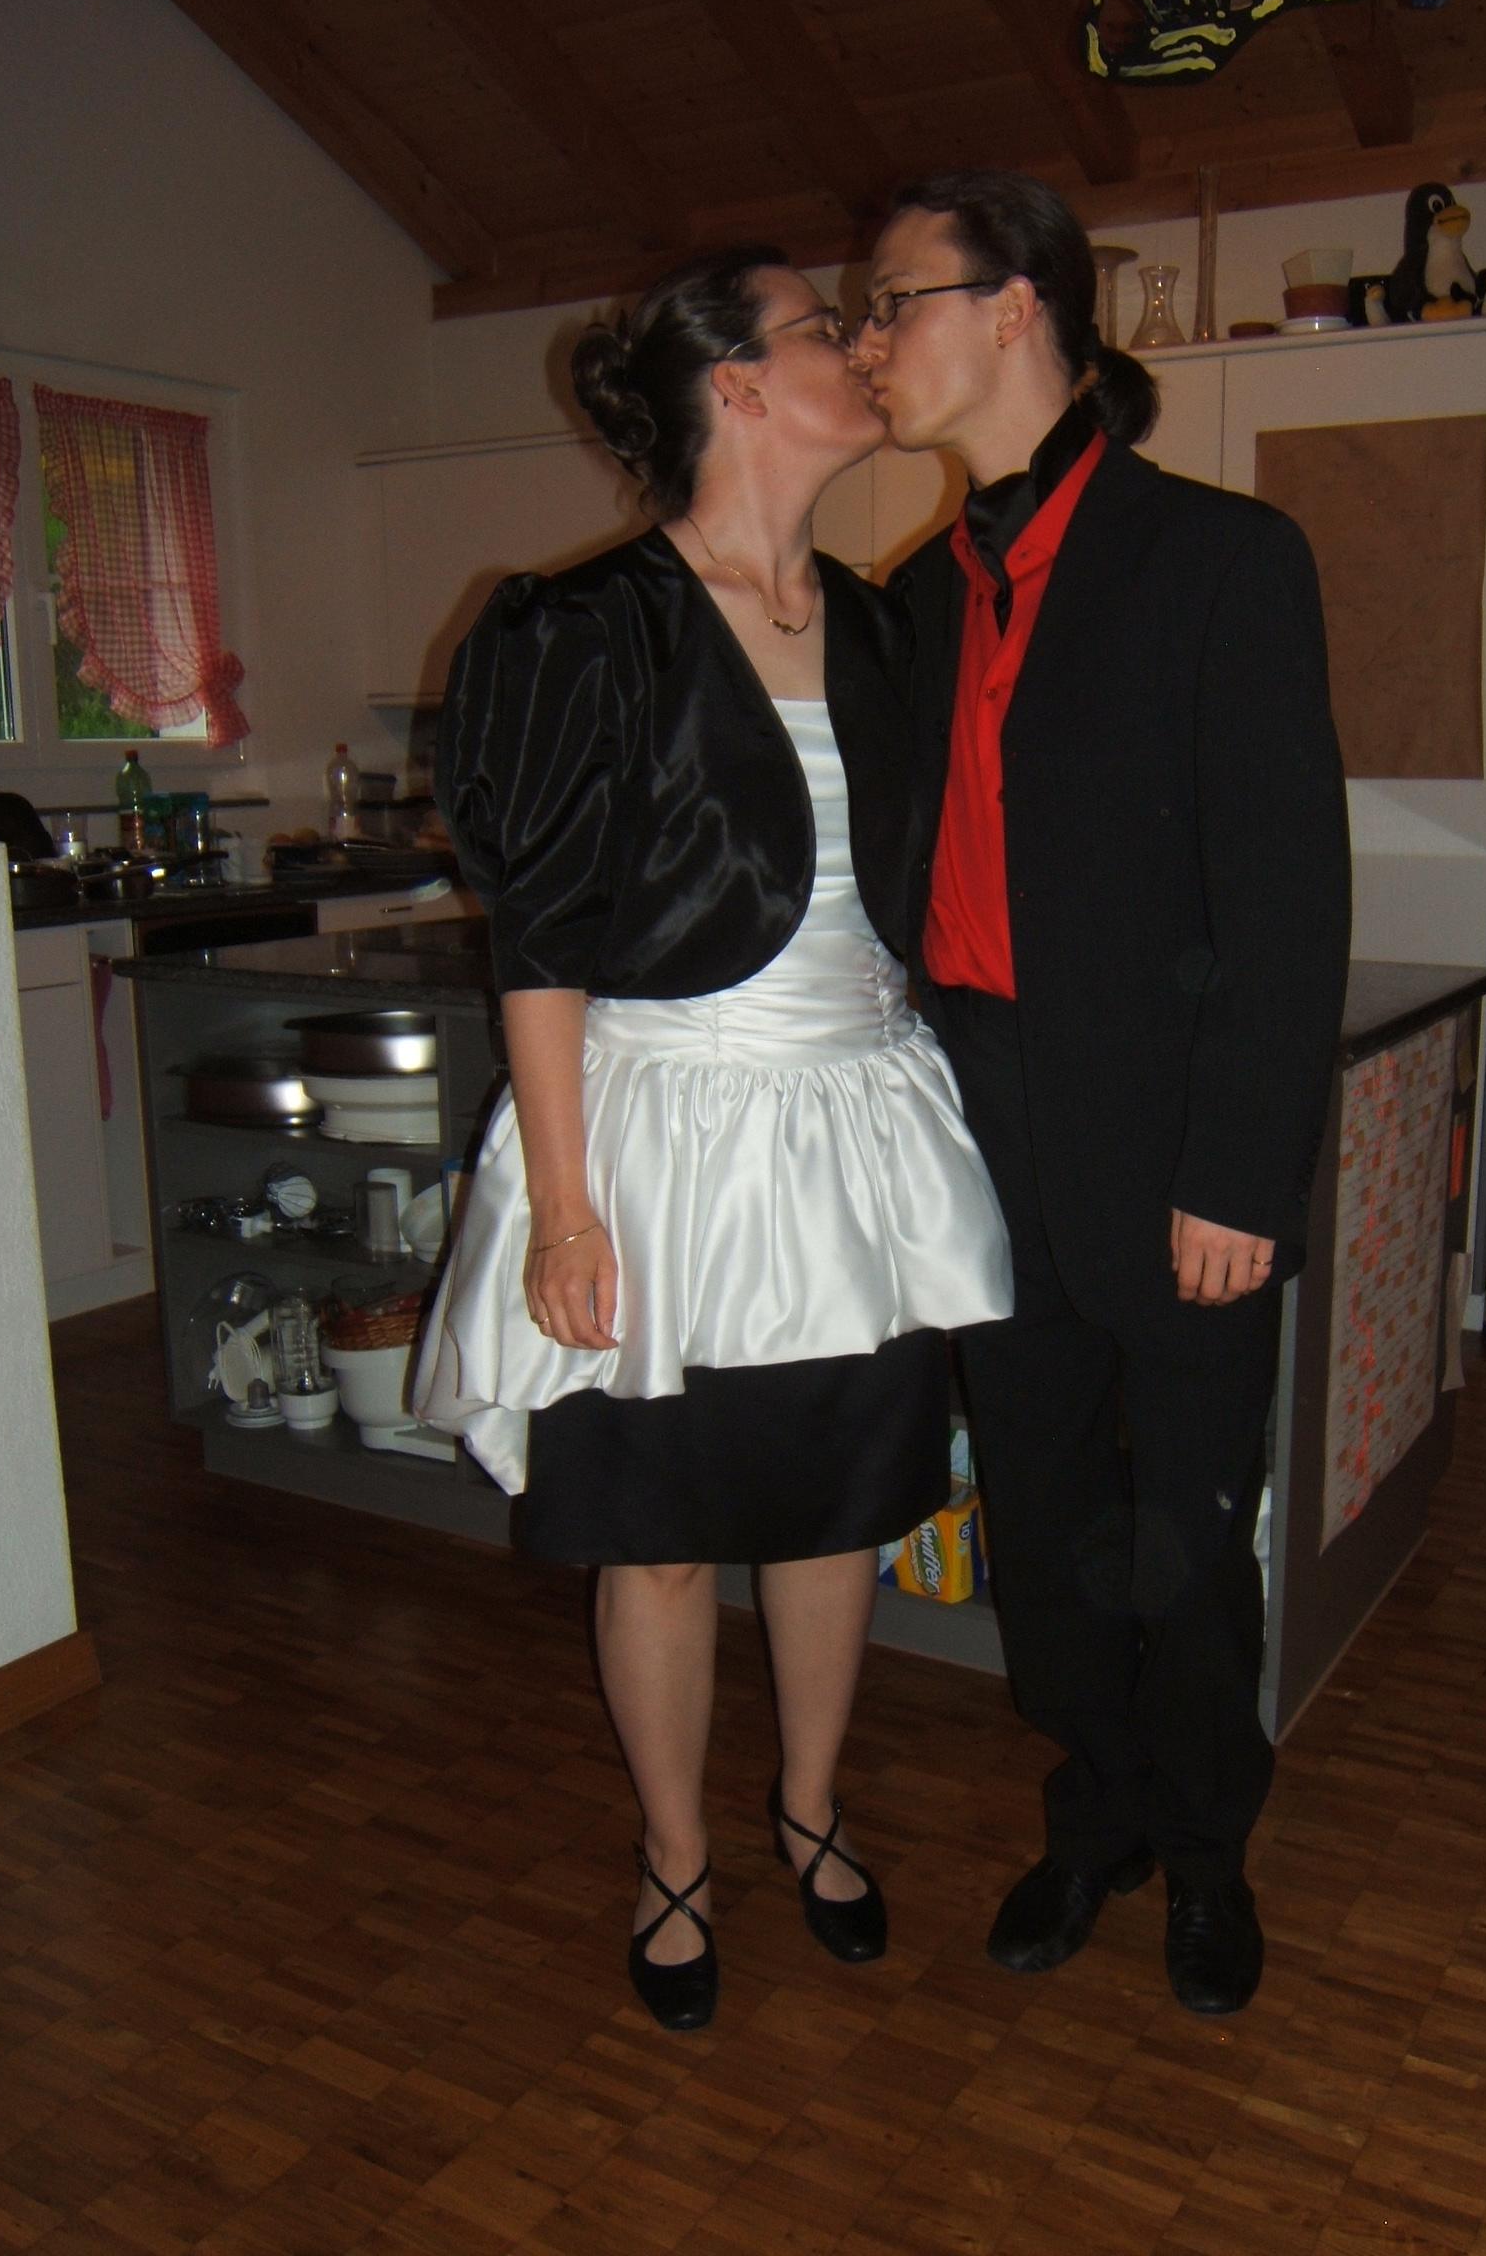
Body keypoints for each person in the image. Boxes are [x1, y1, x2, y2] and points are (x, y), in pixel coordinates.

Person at [414, 246, 1012, 2034]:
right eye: (831, 327)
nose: (866, 346)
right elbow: (539, 942)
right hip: (658, 1144)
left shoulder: (890, 623)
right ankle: (673, 1856)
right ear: (736, 385)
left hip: (857, 1142)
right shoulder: (580, 627)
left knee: (831, 1518)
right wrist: (564, 1210)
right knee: (662, 1536)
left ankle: (810, 1809)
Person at [853, 171, 1351, 2014]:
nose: (869, 341)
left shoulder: (1222, 560)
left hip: (1172, 1138)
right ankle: (1100, 1811)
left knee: (1188, 1528)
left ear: (1014, 309)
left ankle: (1208, 1848)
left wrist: (1242, 1172)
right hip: (981, 1126)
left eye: (891, 300)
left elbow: (1288, 896)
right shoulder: (918, 599)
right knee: (1048, 1514)